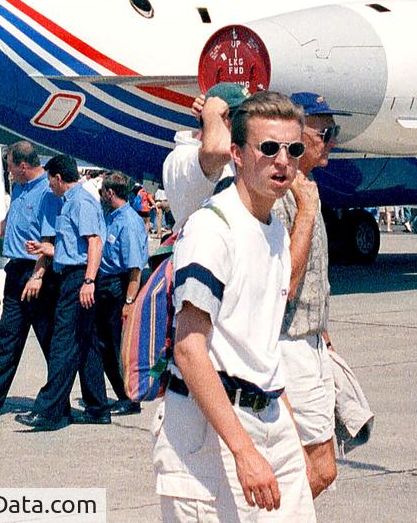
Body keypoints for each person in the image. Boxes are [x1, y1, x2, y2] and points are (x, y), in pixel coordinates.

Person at [153, 91, 314, 522]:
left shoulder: (274, 230)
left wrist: (289, 432)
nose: (283, 160)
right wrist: (243, 451)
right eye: (268, 148)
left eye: (292, 149)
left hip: (272, 419)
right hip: (210, 434)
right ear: (238, 155)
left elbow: (262, 343)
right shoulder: (213, 228)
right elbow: (189, 349)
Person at [272, 93, 343, 499]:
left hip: (311, 342)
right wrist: (306, 212)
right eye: (326, 132)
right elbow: (287, 284)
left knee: (301, 464)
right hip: (289, 345)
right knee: (318, 468)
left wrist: (325, 335)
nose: (332, 141)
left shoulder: (306, 191)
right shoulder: (288, 199)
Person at [0, 141, 63, 416]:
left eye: (10, 168)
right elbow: (8, 225)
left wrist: (38, 275)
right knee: (8, 335)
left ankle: (57, 401)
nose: (9, 173)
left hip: (37, 270)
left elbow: (48, 238)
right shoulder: (18, 188)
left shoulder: (47, 193)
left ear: (23, 166)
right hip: (16, 269)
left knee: (48, 339)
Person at [19, 154, 113, 430]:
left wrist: (88, 281)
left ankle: (50, 410)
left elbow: (94, 243)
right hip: (75, 273)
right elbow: (76, 247)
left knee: (63, 343)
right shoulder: (73, 202)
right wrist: (47, 249)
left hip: (78, 279)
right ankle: (97, 407)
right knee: (86, 344)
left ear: (59, 178)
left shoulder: (80, 203)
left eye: (50, 181)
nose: (50, 187)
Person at [97, 171, 150, 415]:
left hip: (119, 286)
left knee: (118, 346)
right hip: (105, 285)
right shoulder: (112, 217)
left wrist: (129, 301)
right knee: (105, 344)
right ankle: (121, 394)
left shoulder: (127, 222)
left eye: (102, 192)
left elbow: (135, 268)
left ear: (110, 192)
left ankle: (130, 398)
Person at [161, 81, 249, 219]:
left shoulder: (229, 153)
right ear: (225, 118)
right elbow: (217, 152)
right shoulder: (182, 157)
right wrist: (212, 114)